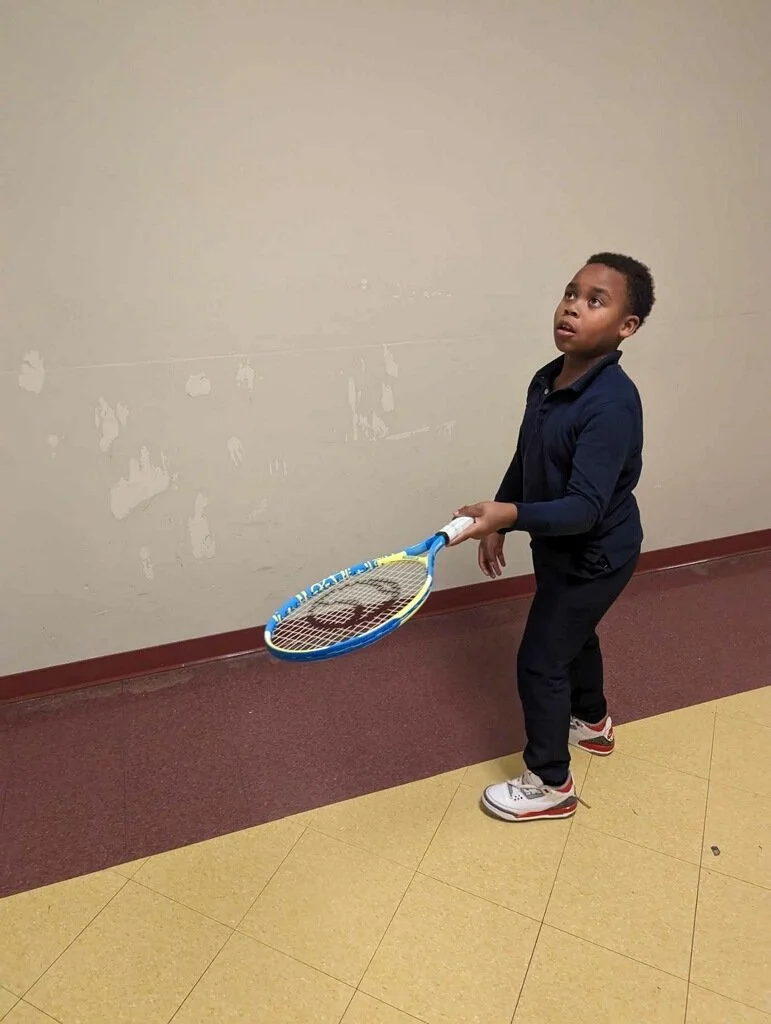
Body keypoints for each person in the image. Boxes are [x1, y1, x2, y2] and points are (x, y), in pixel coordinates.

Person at [451, 252, 655, 822]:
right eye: (570, 293)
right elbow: (528, 455)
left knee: (541, 660)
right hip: (560, 550)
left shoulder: (611, 403)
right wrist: (500, 517)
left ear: (627, 326)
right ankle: (591, 722)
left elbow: (585, 510)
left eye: (595, 301)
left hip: (596, 555)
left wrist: (508, 515)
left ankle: (550, 784)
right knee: (574, 634)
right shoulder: (547, 379)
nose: (572, 307)